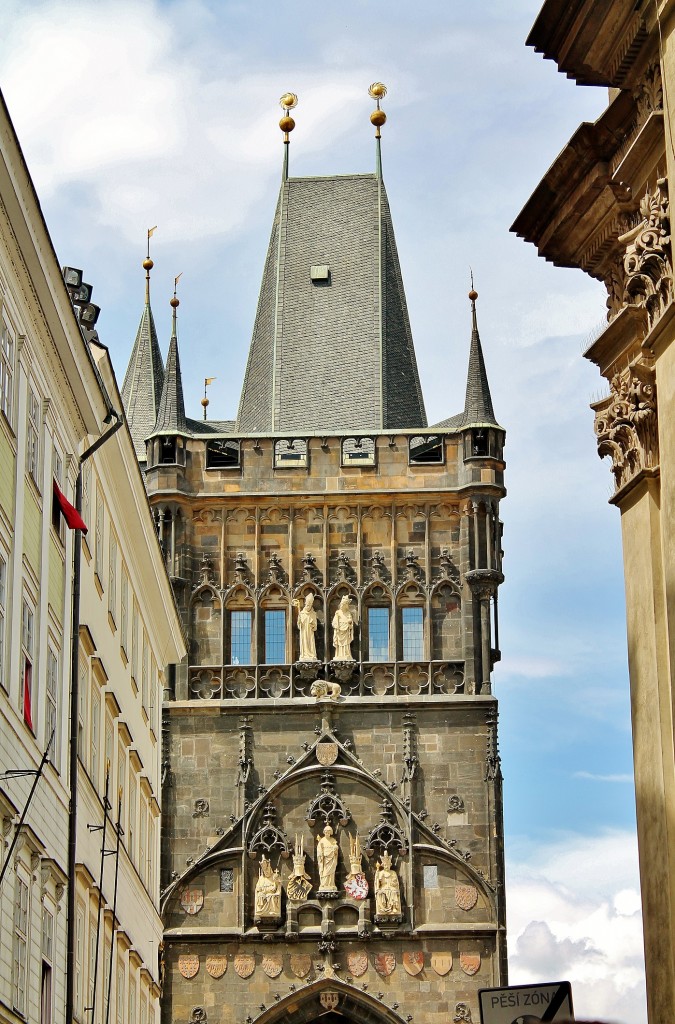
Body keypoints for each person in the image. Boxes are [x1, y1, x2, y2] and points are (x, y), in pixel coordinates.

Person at [374, 850, 401, 916]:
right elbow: (378, 883)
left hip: (391, 887)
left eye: (388, 865)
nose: (387, 866)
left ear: (390, 865)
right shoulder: (381, 872)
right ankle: (383, 907)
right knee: (380, 893)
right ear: (383, 865)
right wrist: (378, 876)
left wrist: (393, 883)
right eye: (385, 865)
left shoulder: (393, 872)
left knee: (394, 891)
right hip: (383, 887)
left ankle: (394, 907)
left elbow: (396, 882)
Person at [316, 824, 339, 890]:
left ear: (331, 833)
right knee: (324, 872)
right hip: (325, 859)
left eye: (329, 832)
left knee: (331, 872)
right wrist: (321, 855)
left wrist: (335, 849)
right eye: (326, 832)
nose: (327, 834)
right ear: (324, 832)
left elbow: (336, 848)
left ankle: (331, 884)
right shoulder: (322, 841)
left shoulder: (333, 840)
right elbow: (319, 850)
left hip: (332, 859)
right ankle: (324, 884)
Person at [332, 595, 355, 661]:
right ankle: (339, 655)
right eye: (342, 604)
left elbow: (350, 622)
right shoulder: (338, 612)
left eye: (344, 604)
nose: (342, 606)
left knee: (346, 644)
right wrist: (337, 626)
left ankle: (346, 654)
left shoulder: (348, 613)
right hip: (339, 630)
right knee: (339, 644)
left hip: (346, 630)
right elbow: (334, 622)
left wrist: (350, 623)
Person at [296, 592, 318, 661]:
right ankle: (304, 654)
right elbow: (299, 625)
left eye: (309, 605)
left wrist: (313, 625)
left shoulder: (313, 614)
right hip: (304, 632)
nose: (307, 606)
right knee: (304, 643)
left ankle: (311, 654)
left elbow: (315, 627)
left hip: (310, 633)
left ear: (311, 605)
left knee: (310, 643)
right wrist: (299, 621)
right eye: (307, 605)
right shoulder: (302, 613)